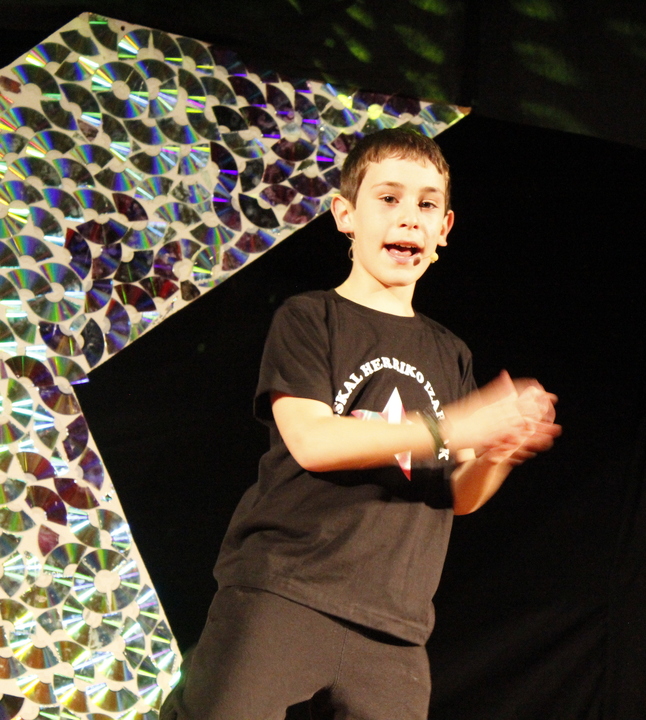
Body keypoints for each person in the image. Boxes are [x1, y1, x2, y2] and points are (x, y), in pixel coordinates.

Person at [163, 128, 560, 719]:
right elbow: (313, 441)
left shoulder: (450, 352)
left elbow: (458, 495)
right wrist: (453, 427)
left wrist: (499, 449)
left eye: (427, 204)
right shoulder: (310, 317)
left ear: (444, 228)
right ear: (345, 214)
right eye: (389, 198)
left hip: (394, 628)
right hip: (285, 594)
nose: (409, 217)